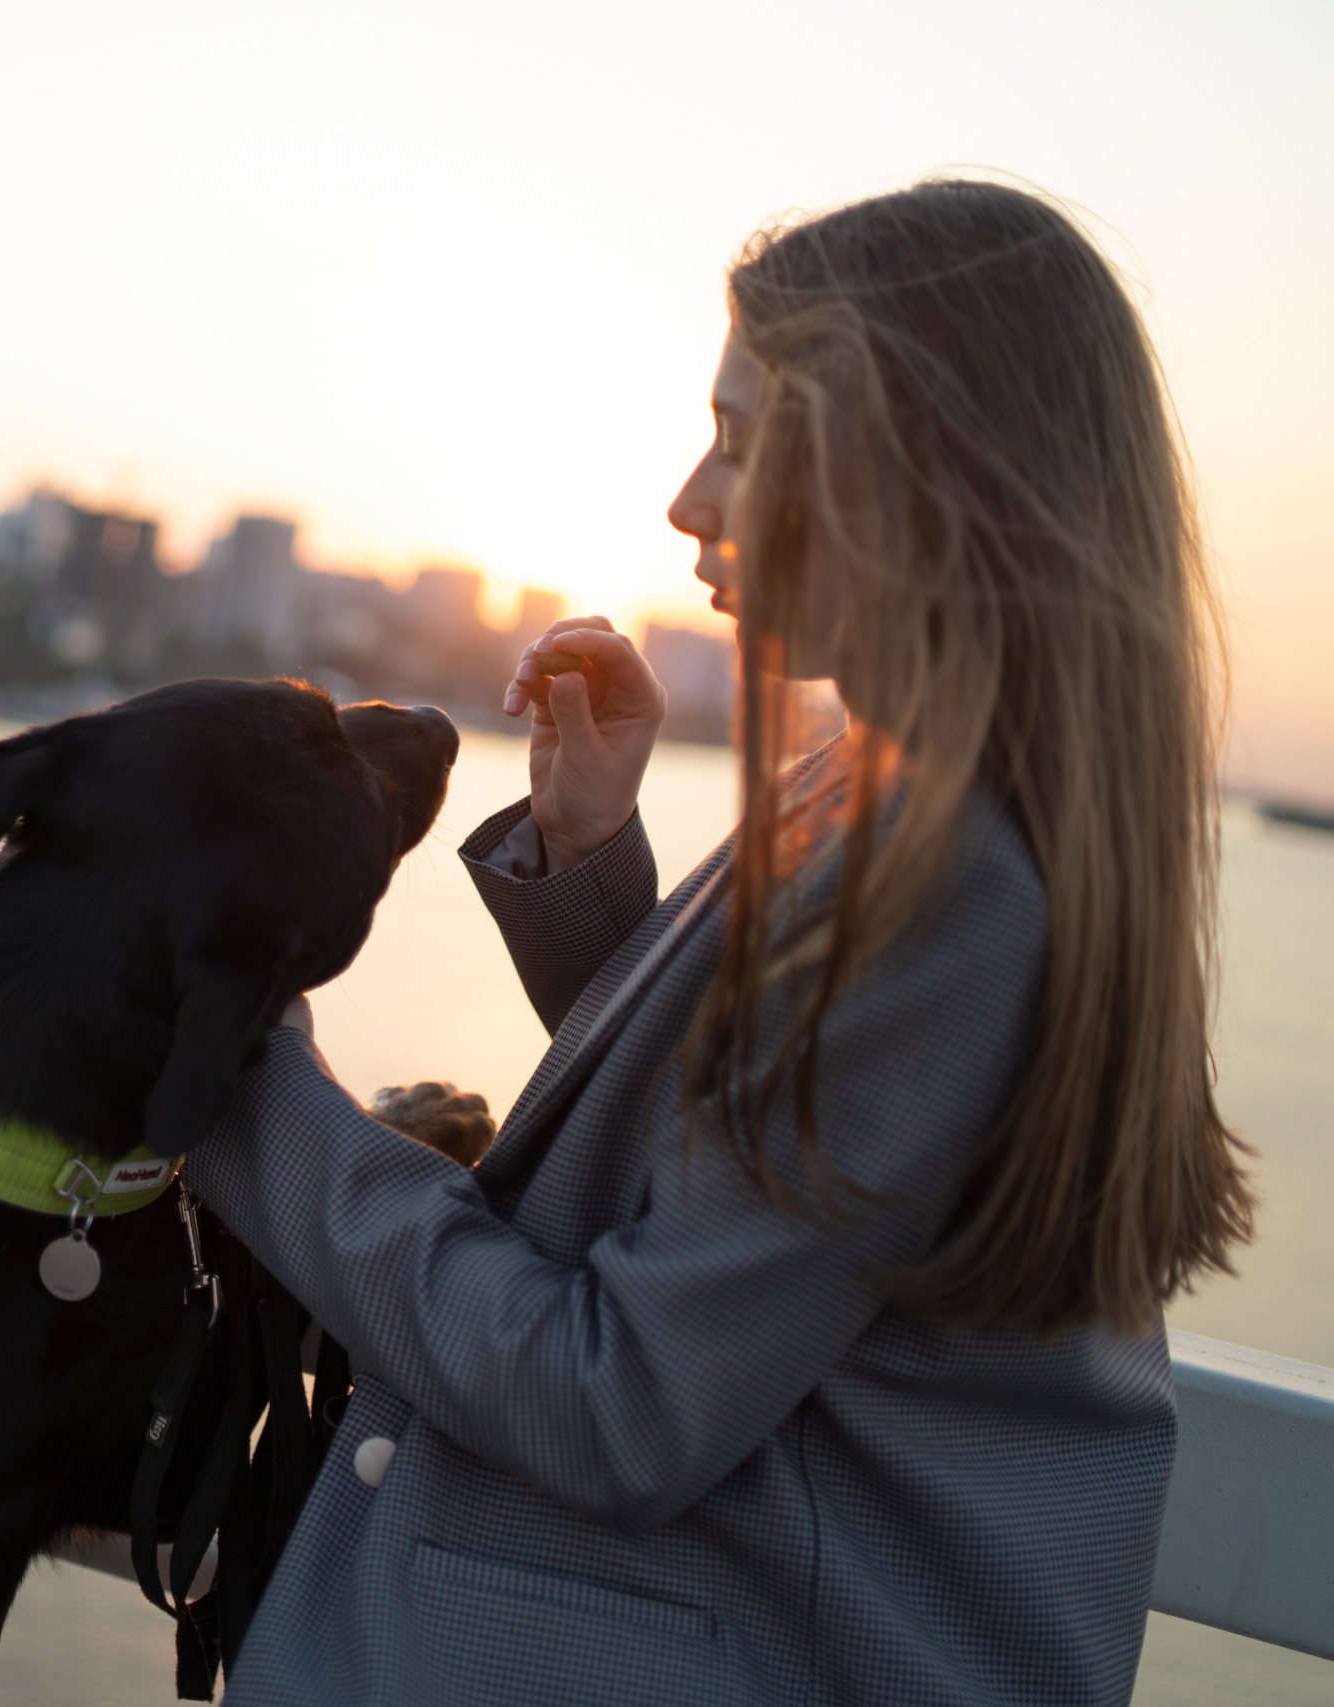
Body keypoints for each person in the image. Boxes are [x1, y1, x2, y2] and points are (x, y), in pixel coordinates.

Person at [187, 179, 1253, 1706]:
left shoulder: (948, 873)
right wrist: (591, 860)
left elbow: (615, 1403)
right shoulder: (915, 794)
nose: (693, 499)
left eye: (744, 442)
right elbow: (769, 1173)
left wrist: (242, 1081)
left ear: (917, 472)